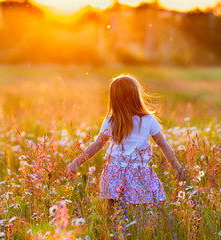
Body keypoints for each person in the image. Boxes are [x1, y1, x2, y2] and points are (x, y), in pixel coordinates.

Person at [64, 74, 187, 215]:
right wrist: (177, 167)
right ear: (136, 96)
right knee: (139, 215)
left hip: (114, 174)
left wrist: (76, 162)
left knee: (113, 217)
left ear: (114, 99)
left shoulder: (111, 120)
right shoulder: (147, 119)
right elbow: (162, 144)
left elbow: (97, 145)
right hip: (139, 173)